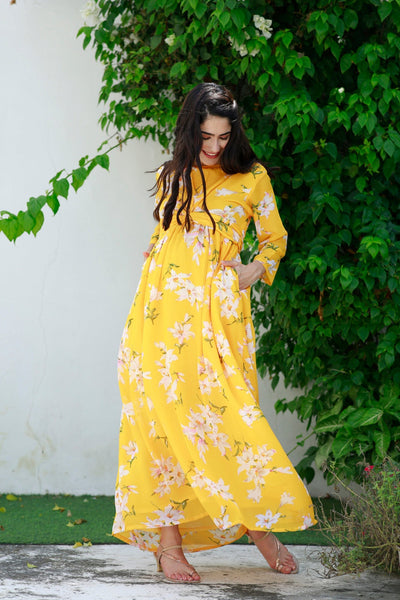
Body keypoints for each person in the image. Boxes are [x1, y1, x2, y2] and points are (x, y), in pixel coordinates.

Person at [112, 83, 316, 583]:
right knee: (160, 420)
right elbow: (162, 241)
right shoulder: (173, 176)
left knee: (229, 416)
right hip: (161, 315)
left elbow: (274, 239)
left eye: (223, 137)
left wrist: (254, 270)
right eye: (205, 136)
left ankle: (258, 526)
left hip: (220, 315)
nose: (214, 146)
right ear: (190, 130)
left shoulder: (252, 178)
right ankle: (169, 546)